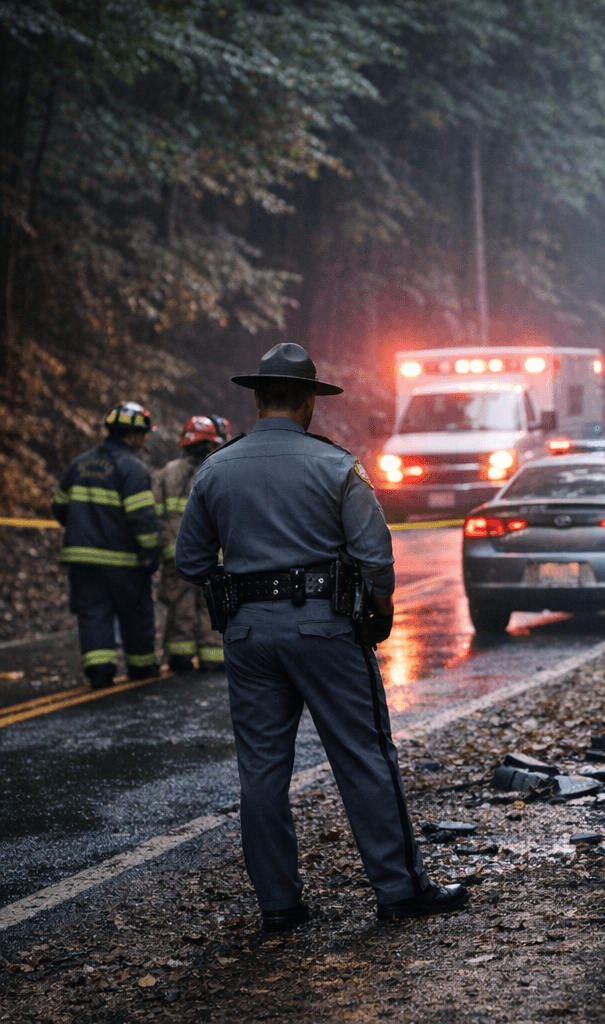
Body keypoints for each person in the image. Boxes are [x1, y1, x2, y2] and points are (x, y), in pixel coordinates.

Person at [175, 342, 466, 931]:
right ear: (310, 402)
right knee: (363, 757)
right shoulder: (335, 465)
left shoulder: (215, 468)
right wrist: (378, 611)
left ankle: (279, 906)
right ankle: (398, 891)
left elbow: (191, 561)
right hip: (326, 629)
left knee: (260, 772)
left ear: (258, 399)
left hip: (249, 634)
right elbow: (375, 557)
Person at [52, 402, 162, 688]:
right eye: (144, 435)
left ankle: (100, 673)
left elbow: (59, 507)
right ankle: (142, 667)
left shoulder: (78, 464)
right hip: (123, 562)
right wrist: (151, 553)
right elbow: (143, 519)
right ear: (132, 435)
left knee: (93, 614)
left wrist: (82, 527)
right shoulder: (132, 469)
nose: (143, 441)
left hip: (82, 561)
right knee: (135, 613)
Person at [153, 415, 228, 673]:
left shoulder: (166, 474)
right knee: (212, 607)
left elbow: (155, 515)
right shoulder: (219, 471)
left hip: (175, 556)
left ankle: (180, 658)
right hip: (213, 558)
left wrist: (158, 550)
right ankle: (213, 656)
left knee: (179, 609)